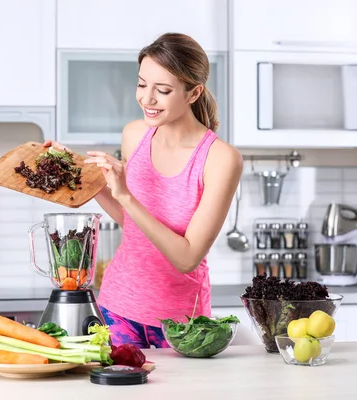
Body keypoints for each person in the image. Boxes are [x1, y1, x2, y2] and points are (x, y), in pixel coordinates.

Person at [44, 32, 243, 348]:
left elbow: (187, 257)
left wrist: (125, 195)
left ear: (194, 93)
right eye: (141, 84)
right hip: (117, 305)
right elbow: (133, 223)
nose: (147, 99)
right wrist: (80, 175)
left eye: (162, 90)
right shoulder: (135, 135)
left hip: (180, 323)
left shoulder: (220, 159)